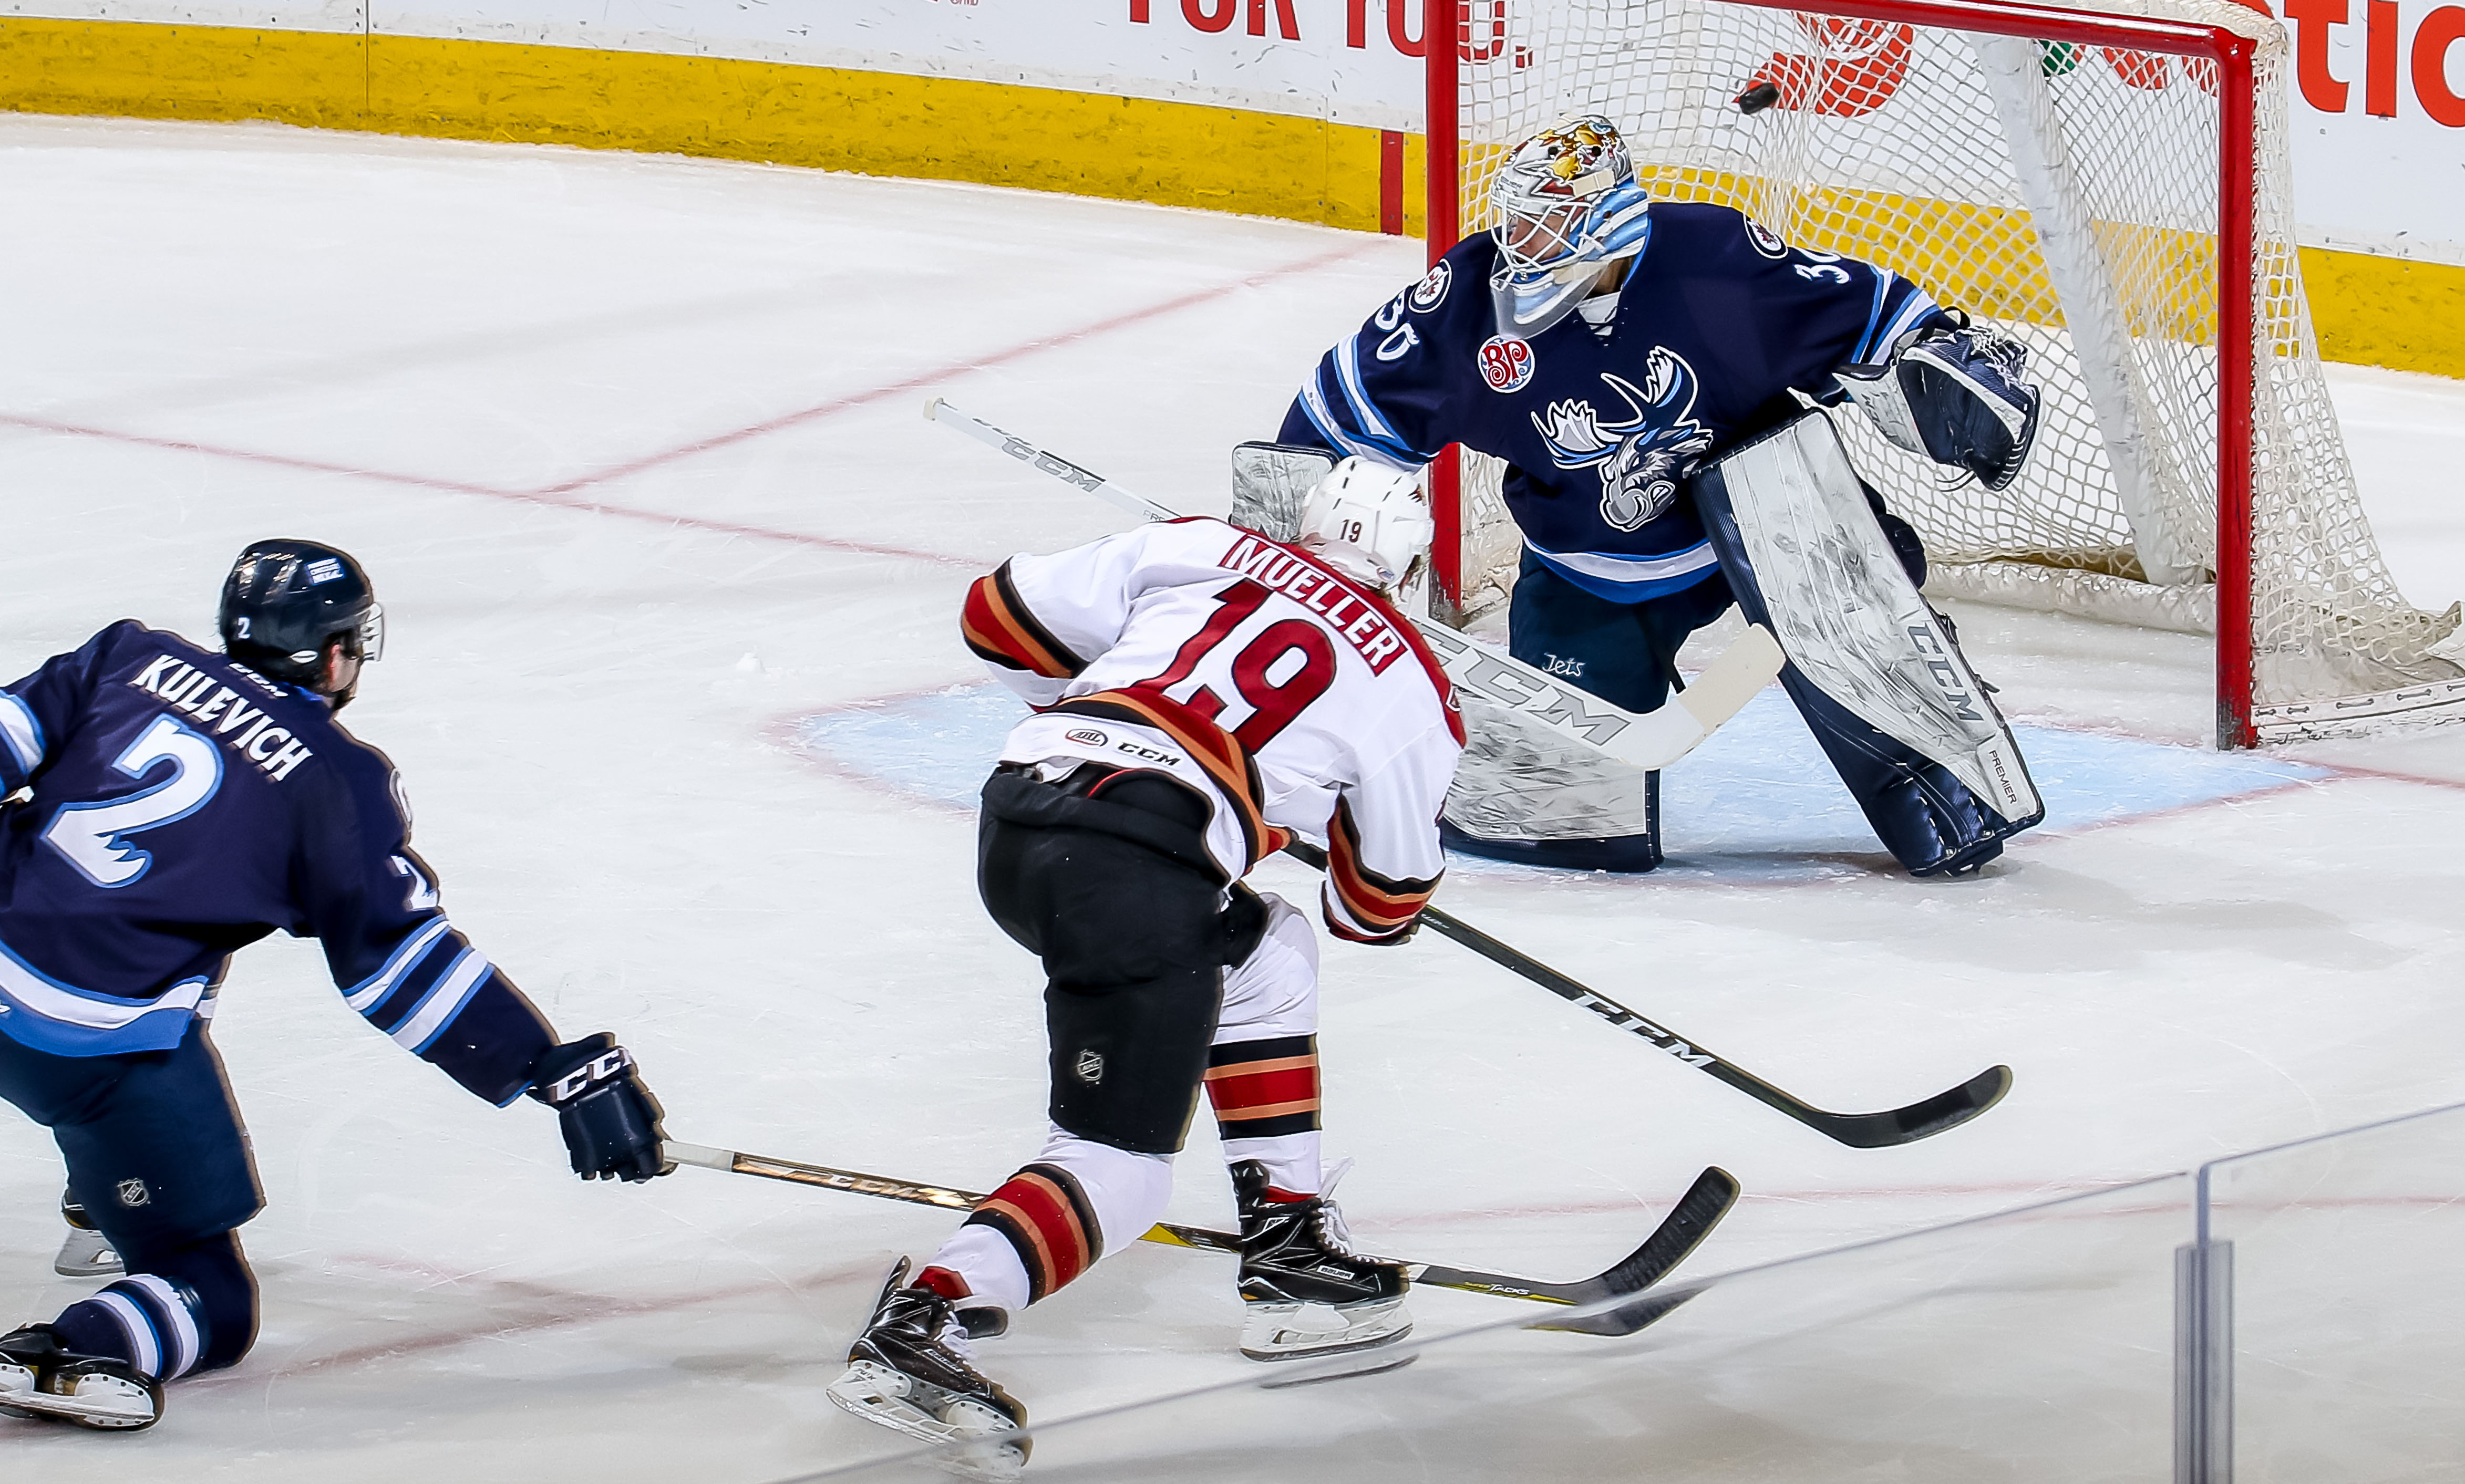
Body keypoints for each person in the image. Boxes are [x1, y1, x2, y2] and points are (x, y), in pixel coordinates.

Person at [826, 461, 1463, 1472]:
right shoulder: (1409, 682)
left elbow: (996, 613)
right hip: (1135, 875)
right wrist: (1283, 807)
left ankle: (1290, 1249)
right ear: (1414, 566)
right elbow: (1377, 907)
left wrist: (1106, 719)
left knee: (1266, 949)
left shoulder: (1199, 544)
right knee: (1120, 1172)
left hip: (1025, 812)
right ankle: (928, 1322)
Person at [0, 541, 669, 1433]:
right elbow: (397, 964)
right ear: (333, 653)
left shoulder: (127, 655)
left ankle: (104, 1193)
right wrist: (544, 1065)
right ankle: (76, 1344)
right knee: (212, 1295)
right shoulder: (334, 782)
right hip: (86, 1044)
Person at [1276, 113, 2043, 876]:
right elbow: (1338, 411)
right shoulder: (1468, 303)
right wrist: (1296, 528)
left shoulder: (1717, 263)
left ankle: (1923, 716)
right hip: (1587, 566)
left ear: (1609, 225)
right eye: (1517, 223)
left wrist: (1931, 357)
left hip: (1769, 522)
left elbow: (1867, 310)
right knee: (1563, 823)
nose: (1521, 247)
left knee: (1937, 784)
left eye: (1548, 229)